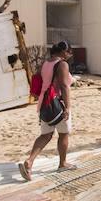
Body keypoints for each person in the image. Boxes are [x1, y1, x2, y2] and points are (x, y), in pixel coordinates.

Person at [19, 41, 75, 179]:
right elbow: (64, 86)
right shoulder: (62, 64)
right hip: (57, 103)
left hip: (44, 103)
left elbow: (37, 80)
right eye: (69, 52)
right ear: (63, 51)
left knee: (45, 135)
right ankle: (62, 164)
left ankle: (30, 161)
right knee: (63, 133)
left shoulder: (44, 64)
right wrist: (67, 107)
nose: (69, 55)